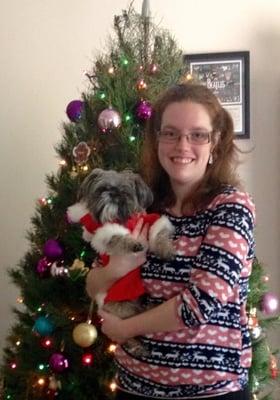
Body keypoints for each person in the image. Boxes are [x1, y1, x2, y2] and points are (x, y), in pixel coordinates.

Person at [86, 83, 255, 400]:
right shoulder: (140, 204)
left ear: (215, 143)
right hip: (135, 387)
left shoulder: (230, 208)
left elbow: (199, 305)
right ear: (157, 140)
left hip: (211, 391)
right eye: (171, 133)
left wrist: (125, 329)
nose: (183, 145)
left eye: (198, 134)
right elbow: (93, 284)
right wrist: (116, 268)